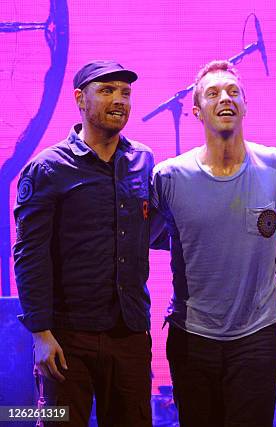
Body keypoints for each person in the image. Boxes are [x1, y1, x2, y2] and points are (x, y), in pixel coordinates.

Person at [150, 60, 276, 427]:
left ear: (246, 105)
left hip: (258, 335)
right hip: (192, 337)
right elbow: (145, 239)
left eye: (233, 92)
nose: (225, 98)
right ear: (196, 110)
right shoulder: (169, 176)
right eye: (213, 93)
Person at [13, 60, 155, 426]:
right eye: (107, 90)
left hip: (129, 333)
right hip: (66, 336)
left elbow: (150, 230)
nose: (119, 100)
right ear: (80, 98)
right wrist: (41, 334)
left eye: (125, 92)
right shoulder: (48, 168)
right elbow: (29, 254)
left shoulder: (141, 160)